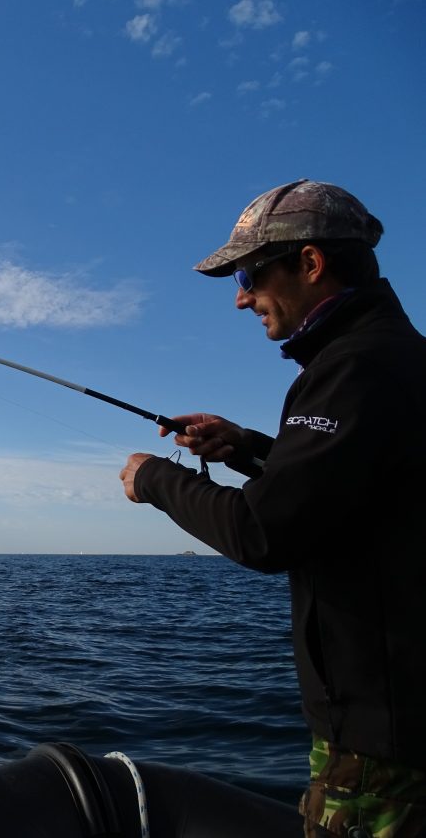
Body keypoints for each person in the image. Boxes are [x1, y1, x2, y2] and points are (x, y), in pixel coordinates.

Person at [119, 179, 426, 837]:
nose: (240, 297)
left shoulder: (353, 369)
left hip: (384, 744)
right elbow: (350, 488)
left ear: (310, 264)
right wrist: (250, 447)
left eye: (252, 273)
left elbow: (262, 531)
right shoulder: (399, 361)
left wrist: (155, 479)